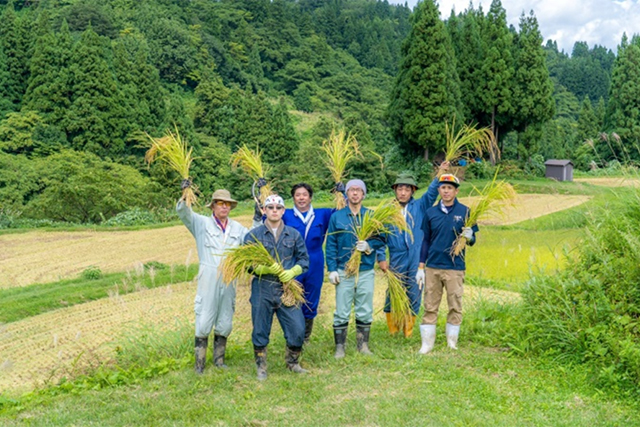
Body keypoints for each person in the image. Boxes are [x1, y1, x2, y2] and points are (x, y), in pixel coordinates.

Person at [176, 186, 253, 374]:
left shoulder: (237, 228)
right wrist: (185, 194)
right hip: (208, 275)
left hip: (229, 276)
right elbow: (184, 213)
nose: (224, 207)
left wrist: (259, 213)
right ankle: (199, 364)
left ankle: (219, 360)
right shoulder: (201, 224)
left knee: (226, 318)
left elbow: (252, 237)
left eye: (227, 204)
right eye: (220, 204)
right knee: (203, 318)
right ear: (213, 206)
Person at [377, 163, 449, 338]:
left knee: (415, 291)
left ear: (412, 191)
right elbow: (379, 237)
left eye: (407, 189)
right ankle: (393, 328)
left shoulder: (420, 206)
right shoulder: (387, 211)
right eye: (400, 189)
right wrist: (381, 258)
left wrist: (440, 174)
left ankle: (408, 330)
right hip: (396, 256)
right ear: (395, 190)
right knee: (394, 291)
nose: (403, 192)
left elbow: (432, 192)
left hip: (416, 256)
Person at [245, 194, 310, 380]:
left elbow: (305, 260)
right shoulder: (253, 236)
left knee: (297, 329)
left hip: (287, 289)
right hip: (262, 288)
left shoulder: (293, 234)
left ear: (283, 211)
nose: (274, 211)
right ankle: (261, 367)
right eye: (270, 207)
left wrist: (292, 272)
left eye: (278, 208)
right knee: (260, 329)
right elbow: (247, 263)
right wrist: (262, 269)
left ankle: (292, 362)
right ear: (263, 210)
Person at [418, 174, 478, 353]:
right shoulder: (431, 213)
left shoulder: (466, 212)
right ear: (439, 190)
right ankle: (427, 344)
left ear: (456, 191)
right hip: (433, 266)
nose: (446, 191)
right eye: (443, 187)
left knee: (455, 304)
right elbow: (426, 241)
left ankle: (452, 343)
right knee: (430, 304)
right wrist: (421, 266)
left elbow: (472, 240)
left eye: (450, 188)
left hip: (455, 267)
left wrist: (470, 237)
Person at [326, 179, 386, 358]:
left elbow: (381, 239)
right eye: (351, 190)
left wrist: (369, 246)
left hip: (366, 269)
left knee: (364, 308)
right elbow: (331, 244)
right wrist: (332, 269)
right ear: (347, 194)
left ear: (363, 194)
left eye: (358, 190)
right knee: (342, 309)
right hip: (344, 270)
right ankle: (340, 347)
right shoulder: (337, 217)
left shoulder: (371, 216)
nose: (355, 193)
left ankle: (363, 345)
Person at [281, 183, 335, 342]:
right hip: (292, 260)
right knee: (292, 295)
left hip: (315, 260)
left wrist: (342, 193)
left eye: (304, 194)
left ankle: (305, 337)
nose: (301, 198)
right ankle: (292, 334)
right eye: (298, 195)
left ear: (310, 197)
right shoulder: (286, 214)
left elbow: (343, 212)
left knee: (312, 296)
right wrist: (261, 205)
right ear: (293, 198)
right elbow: (268, 217)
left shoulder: (323, 214)